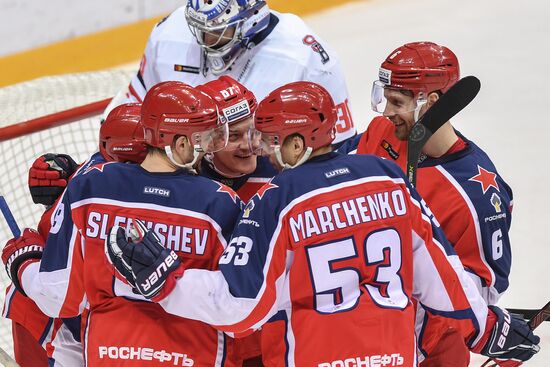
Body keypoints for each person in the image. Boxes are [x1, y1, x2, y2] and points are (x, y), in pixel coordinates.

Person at [105, 81, 540, 367]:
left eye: (274, 140)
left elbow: (239, 309)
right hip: (393, 357)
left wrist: (166, 282)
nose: (265, 150)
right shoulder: (385, 176)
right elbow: (442, 276)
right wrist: (487, 327)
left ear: (298, 142)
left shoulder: (278, 199)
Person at [2, 84, 243, 367]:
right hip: (196, 353)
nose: (209, 148)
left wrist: (24, 262)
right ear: (179, 144)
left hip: (110, 353)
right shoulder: (220, 203)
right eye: (202, 139)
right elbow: (238, 309)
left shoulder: (89, 187)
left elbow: (58, 297)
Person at [353, 41, 515, 367]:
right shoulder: (380, 134)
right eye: (385, 99)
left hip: (431, 354)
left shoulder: (476, 196)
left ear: (431, 103)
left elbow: (478, 295)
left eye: (396, 102)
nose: (385, 113)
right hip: (367, 337)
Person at [2, 103, 147, 367]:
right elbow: (57, 295)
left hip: (91, 322)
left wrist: (23, 262)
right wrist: (63, 175)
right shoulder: (108, 179)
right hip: (56, 320)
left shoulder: (129, 171)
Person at [108, 0, 356, 146]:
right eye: (200, 30)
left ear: (251, 19)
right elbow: (136, 115)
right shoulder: (169, 34)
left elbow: (338, 148)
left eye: (216, 33)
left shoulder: (308, 57)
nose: (205, 41)